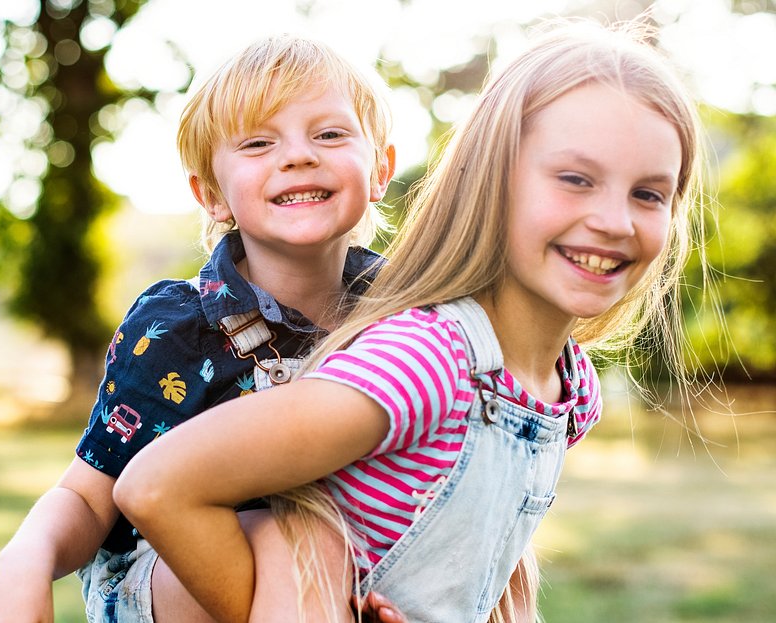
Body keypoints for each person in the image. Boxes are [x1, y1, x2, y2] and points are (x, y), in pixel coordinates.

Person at [113, 15, 713, 623]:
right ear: (491, 182)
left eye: (649, 194)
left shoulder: (572, 391)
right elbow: (156, 486)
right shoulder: (424, 359)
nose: (615, 220)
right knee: (296, 540)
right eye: (575, 179)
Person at [0, 34, 401, 623]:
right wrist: (24, 559)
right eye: (258, 142)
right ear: (212, 195)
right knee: (295, 535)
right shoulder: (178, 331)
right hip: (163, 581)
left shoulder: (408, 320)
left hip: (337, 581)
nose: (299, 155)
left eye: (329, 134)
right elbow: (88, 494)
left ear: (380, 169)